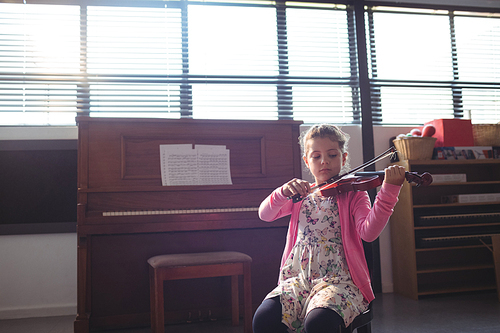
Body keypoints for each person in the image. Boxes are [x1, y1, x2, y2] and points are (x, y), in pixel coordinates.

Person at [252, 124, 405, 333]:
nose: (324, 161)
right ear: (307, 162)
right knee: (264, 319)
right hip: (298, 280)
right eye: (316, 156)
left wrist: (389, 192)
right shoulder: (300, 195)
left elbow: (369, 233)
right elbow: (265, 214)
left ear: (343, 159)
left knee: (319, 323)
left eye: (332, 155)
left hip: (340, 282)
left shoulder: (354, 194)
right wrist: (282, 192)